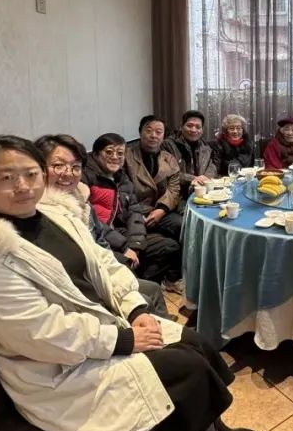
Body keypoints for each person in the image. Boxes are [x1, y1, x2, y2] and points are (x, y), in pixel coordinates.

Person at [0, 135, 265, 431]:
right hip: (57, 370)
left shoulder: (53, 216)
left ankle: (213, 428)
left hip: (102, 328)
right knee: (185, 365)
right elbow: (40, 334)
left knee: (193, 341)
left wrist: (136, 311)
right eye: (7, 177)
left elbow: (104, 264)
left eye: (30, 174)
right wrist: (124, 340)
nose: (22, 186)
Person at [34, 134, 170, 320]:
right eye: (58, 165)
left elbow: (126, 217)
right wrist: (124, 248)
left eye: (75, 167)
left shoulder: (86, 196)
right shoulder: (39, 212)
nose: (68, 173)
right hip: (80, 291)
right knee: (143, 296)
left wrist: (134, 243)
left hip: (106, 259)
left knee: (155, 275)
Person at [81, 133, 182, 290]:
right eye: (109, 152)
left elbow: (134, 212)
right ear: (96, 154)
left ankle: (148, 286)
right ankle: (140, 291)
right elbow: (90, 221)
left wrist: (135, 245)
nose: (115, 157)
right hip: (98, 238)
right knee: (126, 265)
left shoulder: (121, 178)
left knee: (169, 247)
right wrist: (124, 247)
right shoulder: (85, 178)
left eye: (120, 153)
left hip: (120, 231)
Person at [126, 116, 185, 292]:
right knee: (168, 240)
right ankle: (147, 284)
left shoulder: (168, 158)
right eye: (149, 130)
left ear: (163, 135)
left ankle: (173, 277)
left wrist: (162, 209)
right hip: (135, 212)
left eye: (159, 132)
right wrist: (138, 215)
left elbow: (174, 188)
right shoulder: (126, 157)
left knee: (182, 225)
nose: (154, 135)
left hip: (160, 209)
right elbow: (124, 191)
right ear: (140, 132)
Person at [163, 110, 217, 200]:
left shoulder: (205, 146)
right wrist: (192, 179)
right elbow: (166, 171)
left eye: (198, 127)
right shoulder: (168, 145)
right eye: (189, 126)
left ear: (202, 130)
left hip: (202, 193)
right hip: (178, 196)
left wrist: (206, 177)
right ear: (181, 127)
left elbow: (212, 165)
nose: (193, 130)